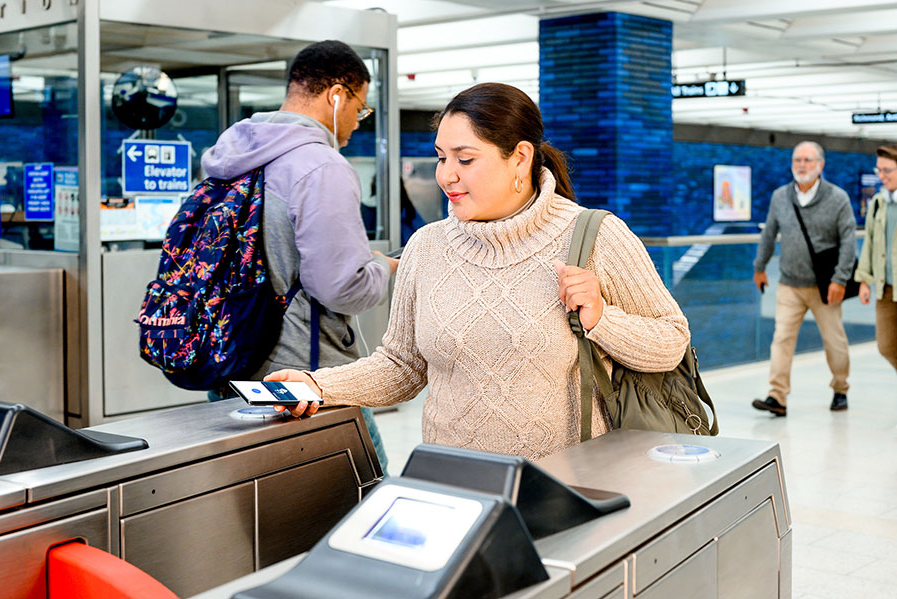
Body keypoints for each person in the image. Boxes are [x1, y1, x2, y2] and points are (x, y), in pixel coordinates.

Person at [265, 82, 691, 462]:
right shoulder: (427, 246)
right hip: (453, 484)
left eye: (465, 159)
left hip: (568, 486)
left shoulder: (596, 235)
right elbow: (401, 366)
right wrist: (318, 386)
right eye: (440, 157)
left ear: (520, 158)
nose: (446, 175)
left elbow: (671, 341)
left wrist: (601, 320)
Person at [200, 40, 398, 471]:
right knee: (366, 494)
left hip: (230, 357)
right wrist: (384, 267)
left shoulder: (231, 155)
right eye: (359, 109)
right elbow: (341, 289)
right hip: (302, 380)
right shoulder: (320, 166)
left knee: (260, 509)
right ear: (337, 95)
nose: (356, 123)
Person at [752, 141, 856, 416]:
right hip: (789, 284)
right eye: (797, 160)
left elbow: (848, 242)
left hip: (825, 287)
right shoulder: (780, 196)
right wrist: (759, 266)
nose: (802, 165)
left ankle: (840, 388)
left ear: (821, 165)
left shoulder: (838, 198)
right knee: (781, 338)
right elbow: (768, 235)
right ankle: (777, 396)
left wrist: (840, 279)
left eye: (808, 160)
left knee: (835, 341)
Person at [855, 144, 897, 372]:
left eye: (887, 170)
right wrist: (864, 280)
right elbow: (869, 242)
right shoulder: (879, 203)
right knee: (886, 345)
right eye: (879, 170)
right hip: (886, 288)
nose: (881, 176)